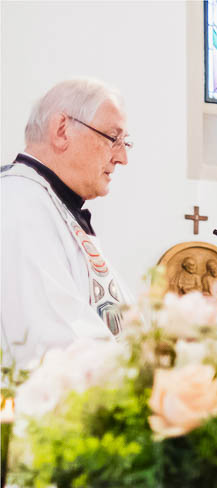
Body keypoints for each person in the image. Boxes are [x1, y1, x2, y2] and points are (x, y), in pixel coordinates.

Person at [1, 78, 133, 366]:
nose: (122, 157)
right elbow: (49, 341)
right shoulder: (18, 202)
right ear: (62, 130)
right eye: (113, 138)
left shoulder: (48, 204)